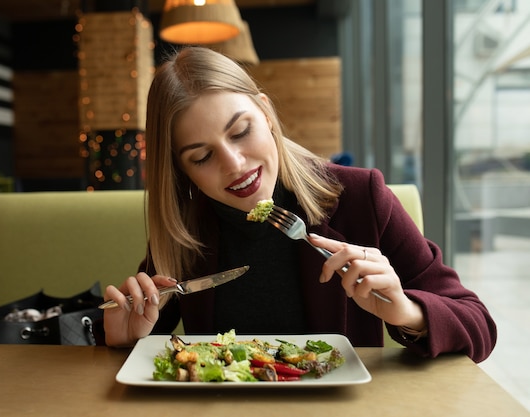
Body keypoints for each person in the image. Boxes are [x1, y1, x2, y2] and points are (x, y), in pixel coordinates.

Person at [103, 46, 496, 363]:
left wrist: (408, 313)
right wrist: (123, 341)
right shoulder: (184, 230)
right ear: (180, 171)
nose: (235, 165)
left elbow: (479, 327)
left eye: (241, 131)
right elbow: (147, 342)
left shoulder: (361, 198)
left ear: (266, 113)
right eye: (201, 157)